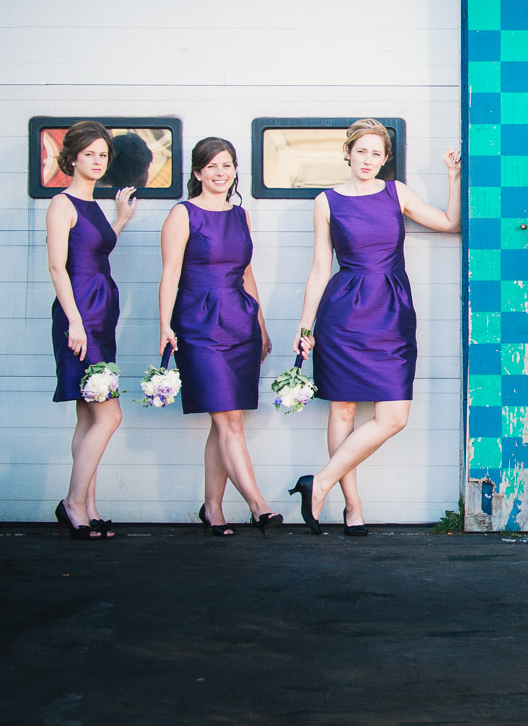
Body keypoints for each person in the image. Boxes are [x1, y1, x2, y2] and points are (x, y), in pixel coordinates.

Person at [289, 120, 462, 535]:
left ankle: (320, 482)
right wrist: (305, 325)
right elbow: (318, 268)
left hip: (392, 311)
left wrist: (452, 177)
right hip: (343, 313)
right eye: (361, 151)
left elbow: (449, 223)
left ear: (386, 160)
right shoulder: (326, 201)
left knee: (393, 416)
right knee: (343, 408)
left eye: (377, 154)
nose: (368, 160)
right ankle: (352, 506)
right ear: (348, 153)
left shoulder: (395, 192)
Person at [158, 137, 282, 537]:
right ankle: (258, 505)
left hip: (239, 321)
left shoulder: (240, 216)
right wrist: (165, 325)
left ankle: (212, 508)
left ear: (235, 171)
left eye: (227, 165)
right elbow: (170, 275)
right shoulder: (182, 214)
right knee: (228, 418)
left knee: (223, 418)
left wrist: (261, 325)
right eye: (211, 166)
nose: (220, 173)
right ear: (197, 172)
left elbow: (247, 274)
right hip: (198, 323)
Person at [46, 120, 137, 540]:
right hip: (79, 315)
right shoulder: (62, 204)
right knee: (109, 413)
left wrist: (119, 220)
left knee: (87, 414)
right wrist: (75, 323)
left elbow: (96, 249)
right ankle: (73, 503)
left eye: (103, 155)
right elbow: (58, 267)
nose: (98, 161)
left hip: (101, 314)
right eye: (90, 155)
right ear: (73, 159)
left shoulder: (93, 206)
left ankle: (88, 505)